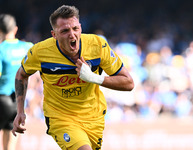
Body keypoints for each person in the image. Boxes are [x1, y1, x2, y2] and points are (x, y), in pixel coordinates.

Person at [12, 5, 134, 150]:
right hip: (60, 117)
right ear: (54, 34)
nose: (72, 35)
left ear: (80, 28)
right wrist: (20, 111)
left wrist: (93, 78)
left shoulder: (97, 46)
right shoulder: (40, 52)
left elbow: (128, 82)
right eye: (65, 31)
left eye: (75, 29)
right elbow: (21, 74)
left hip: (93, 117)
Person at [0, 14, 33, 150]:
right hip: (18, 101)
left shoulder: (1, 49)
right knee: (10, 141)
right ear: (15, 29)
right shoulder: (28, 47)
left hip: (2, 98)